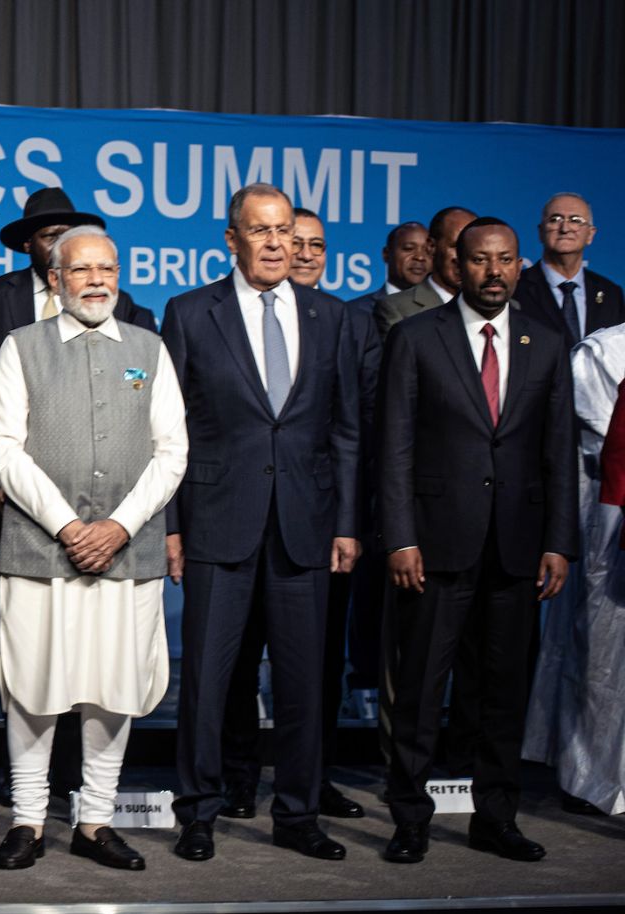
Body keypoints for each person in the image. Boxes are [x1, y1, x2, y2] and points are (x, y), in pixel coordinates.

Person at [164, 183, 361, 864]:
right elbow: (172, 430)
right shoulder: (191, 313)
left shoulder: (332, 315)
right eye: (261, 231)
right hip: (218, 522)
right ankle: (198, 811)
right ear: (232, 240)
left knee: (306, 681)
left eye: (287, 231)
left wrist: (346, 522)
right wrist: (171, 526)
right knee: (210, 682)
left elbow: (346, 428)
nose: (278, 243)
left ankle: (299, 814)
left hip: (307, 525)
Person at [377, 216, 576, 864]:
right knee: (420, 692)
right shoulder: (414, 337)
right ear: (457, 266)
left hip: (517, 548)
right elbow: (395, 446)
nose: (495, 273)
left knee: (502, 693)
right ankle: (409, 819)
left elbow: (557, 450)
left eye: (507, 261)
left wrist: (559, 541)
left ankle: (497, 818)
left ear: (520, 265)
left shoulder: (546, 343)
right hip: (434, 547)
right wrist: (400, 537)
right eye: (482, 261)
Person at [0, 225, 187, 872]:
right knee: (33, 688)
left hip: (127, 554)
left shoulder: (149, 349)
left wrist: (120, 526)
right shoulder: (21, 347)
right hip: (42, 552)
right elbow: (3, 449)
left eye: (108, 268)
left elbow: (172, 451)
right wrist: (68, 527)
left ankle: (96, 821)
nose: (98, 279)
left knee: (114, 688)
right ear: (55, 279)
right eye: (82, 270)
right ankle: (27, 820)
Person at [525, 321, 625, 815]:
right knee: (599, 655)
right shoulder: (604, 351)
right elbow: (601, 440)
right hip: (606, 520)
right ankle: (591, 777)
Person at [0, 187, 156, 380]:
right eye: (50, 237)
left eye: (68, 237)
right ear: (28, 244)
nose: (60, 246)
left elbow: (136, 374)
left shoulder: (112, 300)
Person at [515, 193, 622, 345]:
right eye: (555, 219)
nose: (565, 228)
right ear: (540, 232)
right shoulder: (516, 288)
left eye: (576, 220)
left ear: (590, 234)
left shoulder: (611, 294)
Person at [375, 207, 475, 335]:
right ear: (432, 247)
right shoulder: (397, 308)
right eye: (456, 247)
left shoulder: (503, 308)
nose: (464, 257)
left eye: (473, 248)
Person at [349, 222, 430, 311]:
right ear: (386, 254)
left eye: (428, 251)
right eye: (409, 248)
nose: (420, 257)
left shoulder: (444, 308)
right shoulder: (352, 310)